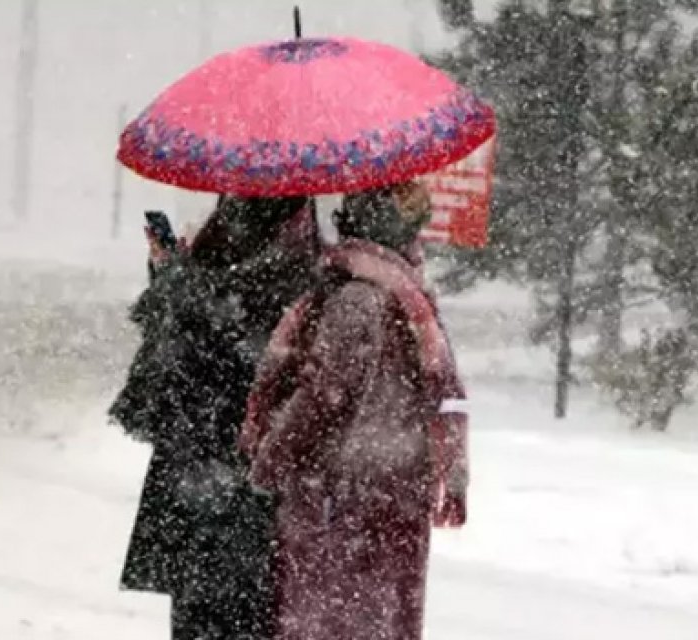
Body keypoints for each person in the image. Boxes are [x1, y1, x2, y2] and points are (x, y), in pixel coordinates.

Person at [239, 182, 469, 640]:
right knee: (380, 623)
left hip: (343, 498)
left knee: (330, 623)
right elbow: (443, 398)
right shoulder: (407, 294)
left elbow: (324, 396)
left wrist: (268, 461)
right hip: (395, 490)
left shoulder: (358, 299)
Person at [109, 196, 318, 640]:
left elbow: (201, 350)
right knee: (240, 612)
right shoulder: (302, 261)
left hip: (216, 471)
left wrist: (177, 280)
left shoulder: (243, 262)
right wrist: (172, 274)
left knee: (210, 614)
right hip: (241, 479)